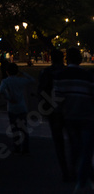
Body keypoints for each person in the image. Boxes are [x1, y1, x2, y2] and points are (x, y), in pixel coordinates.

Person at [53, 46, 94, 190]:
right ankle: (83, 179)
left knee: (76, 147)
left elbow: (57, 99)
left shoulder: (60, 76)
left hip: (69, 116)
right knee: (86, 149)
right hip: (87, 116)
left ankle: (79, 175)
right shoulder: (88, 76)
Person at [40, 48, 71, 182]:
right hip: (69, 110)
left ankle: (65, 171)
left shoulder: (47, 72)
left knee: (59, 143)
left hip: (53, 111)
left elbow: (41, 91)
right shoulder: (68, 72)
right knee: (74, 140)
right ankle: (76, 168)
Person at [0, 62, 35, 154]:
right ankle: (25, 148)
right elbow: (32, 80)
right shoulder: (20, 80)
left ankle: (17, 147)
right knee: (24, 128)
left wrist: (8, 98)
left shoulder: (6, 81)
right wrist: (23, 73)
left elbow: (1, 90)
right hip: (22, 106)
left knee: (14, 128)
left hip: (12, 107)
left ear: (7, 72)